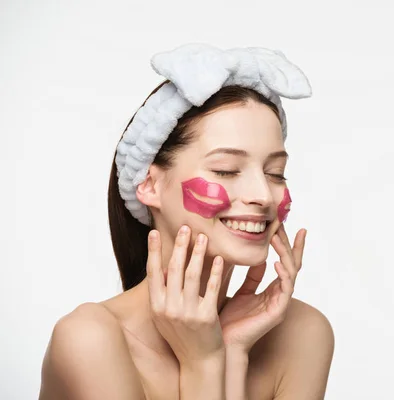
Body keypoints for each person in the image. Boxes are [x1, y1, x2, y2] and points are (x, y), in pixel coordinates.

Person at [38, 43, 335, 400]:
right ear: (149, 185)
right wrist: (205, 363)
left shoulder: (302, 333)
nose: (263, 194)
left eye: (275, 172)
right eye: (226, 170)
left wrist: (234, 352)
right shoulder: (89, 340)